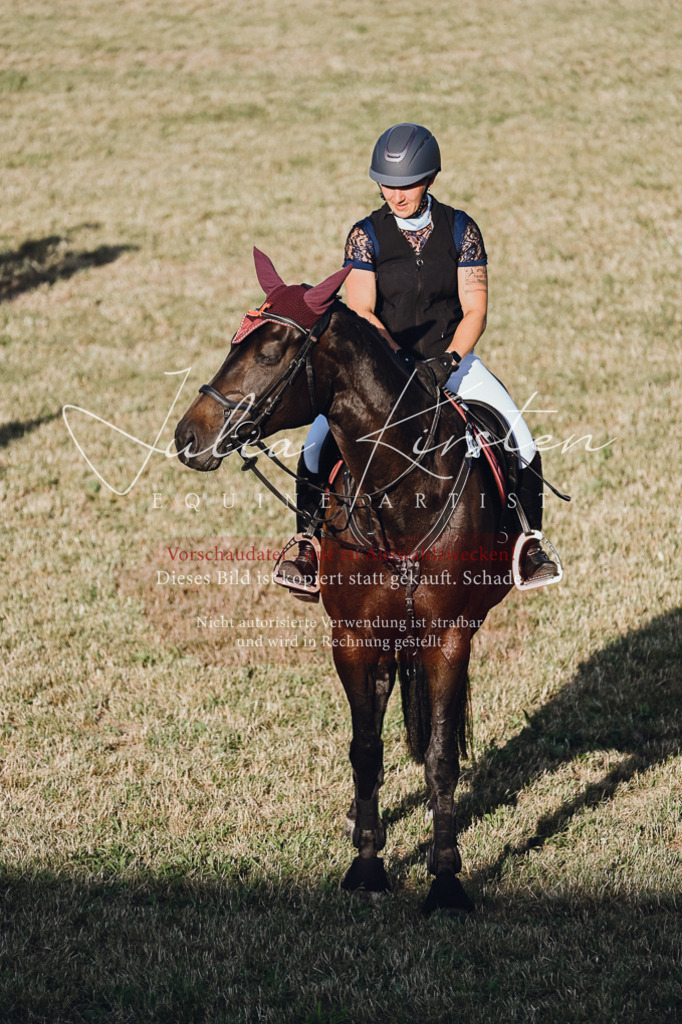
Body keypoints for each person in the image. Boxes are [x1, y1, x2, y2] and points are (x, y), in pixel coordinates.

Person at [277, 123, 559, 597]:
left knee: (522, 439)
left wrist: (448, 362)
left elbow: (476, 310)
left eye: (405, 184)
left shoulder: (461, 230)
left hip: (454, 360)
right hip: (381, 365)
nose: (395, 193)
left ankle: (528, 542)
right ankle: (306, 545)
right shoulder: (364, 237)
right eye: (386, 184)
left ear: (429, 178)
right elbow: (363, 309)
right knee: (314, 445)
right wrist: (394, 361)